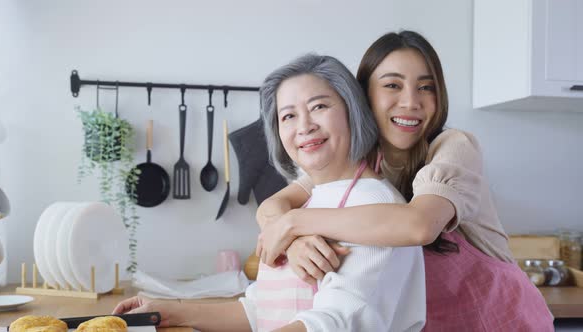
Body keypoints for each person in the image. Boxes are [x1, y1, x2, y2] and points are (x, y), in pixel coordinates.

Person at [255, 31, 554, 331]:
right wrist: (294, 244)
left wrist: (294, 224)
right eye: (392, 86)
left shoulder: (454, 148)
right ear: (361, 96)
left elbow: (419, 225)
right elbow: (273, 205)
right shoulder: (358, 161)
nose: (411, 102)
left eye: (426, 87)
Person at [113, 54, 426, 332]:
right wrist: (172, 311)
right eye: (288, 116)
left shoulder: (373, 203)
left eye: (319, 106)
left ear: (352, 112)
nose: (304, 126)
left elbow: (334, 322)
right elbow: (260, 311)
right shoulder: (314, 196)